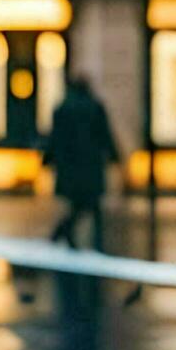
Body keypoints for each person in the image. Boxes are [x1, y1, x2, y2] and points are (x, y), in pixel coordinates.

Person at [43, 76, 118, 250]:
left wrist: (48, 158)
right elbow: (105, 135)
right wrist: (114, 156)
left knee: (80, 204)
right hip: (91, 164)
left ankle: (64, 234)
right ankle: (82, 238)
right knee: (90, 205)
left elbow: (55, 138)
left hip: (70, 166)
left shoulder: (63, 108)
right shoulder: (94, 107)